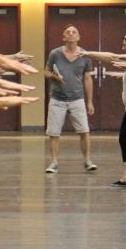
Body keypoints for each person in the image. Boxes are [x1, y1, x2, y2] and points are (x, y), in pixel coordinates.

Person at [80, 30, 126, 185]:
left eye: (124, 45)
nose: (122, 48)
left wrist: (88, 53)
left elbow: (112, 57)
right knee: (124, 139)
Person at [44, 24, 97, 173]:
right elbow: (46, 72)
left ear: (78, 37)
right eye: (68, 32)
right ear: (64, 37)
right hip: (57, 99)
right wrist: (54, 76)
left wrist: (90, 101)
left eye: (74, 32)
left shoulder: (85, 56)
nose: (71, 34)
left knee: (84, 131)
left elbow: (87, 79)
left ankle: (87, 160)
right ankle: (54, 162)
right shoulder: (55, 53)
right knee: (54, 132)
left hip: (77, 99)